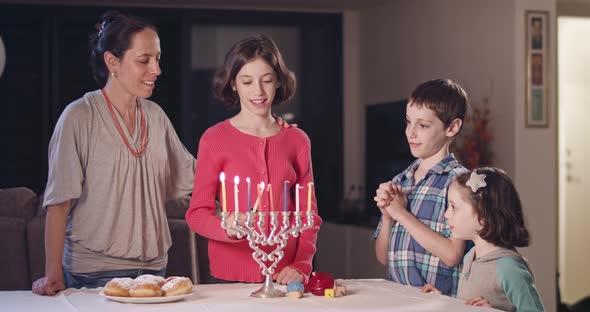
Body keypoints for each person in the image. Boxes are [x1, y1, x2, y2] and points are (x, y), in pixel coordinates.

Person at [32, 11, 195, 295]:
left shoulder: (156, 116)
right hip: (93, 272)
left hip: (154, 272)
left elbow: (195, 177)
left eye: (157, 59)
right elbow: (59, 204)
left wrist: (253, 133)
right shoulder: (78, 117)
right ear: (112, 62)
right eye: (144, 60)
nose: (156, 70)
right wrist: (52, 274)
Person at [185, 34, 321, 285]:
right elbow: (197, 213)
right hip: (230, 275)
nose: (258, 91)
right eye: (247, 81)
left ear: (278, 81)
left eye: (267, 80)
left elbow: (308, 214)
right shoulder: (214, 139)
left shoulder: (297, 140)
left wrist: (301, 264)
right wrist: (226, 228)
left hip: (285, 275)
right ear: (233, 84)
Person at [373, 79, 470, 296]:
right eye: (408, 122)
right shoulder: (401, 181)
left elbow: (452, 255)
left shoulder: (459, 183)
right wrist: (388, 218)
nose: (410, 132)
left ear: (452, 127)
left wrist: (400, 214)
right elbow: (383, 258)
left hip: (440, 305)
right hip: (400, 300)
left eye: (423, 125)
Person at [422, 168, 545, 311]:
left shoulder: (508, 268)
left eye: (453, 207)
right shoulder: (470, 257)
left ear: (483, 217)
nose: (446, 214)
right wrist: (442, 301)